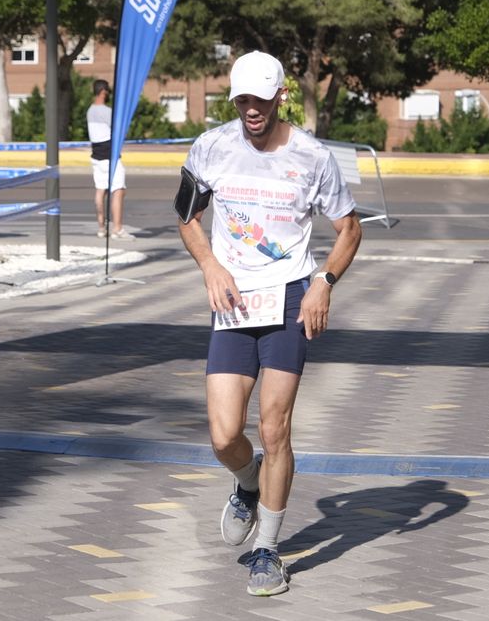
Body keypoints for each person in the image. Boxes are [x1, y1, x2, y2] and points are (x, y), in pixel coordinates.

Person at [177, 51, 363, 597]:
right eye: (242, 100)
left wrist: (323, 283)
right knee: (224, 435)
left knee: (275, 428)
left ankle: (268, 550)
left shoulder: (312, 156)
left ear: (281, 96)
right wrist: (210, 266)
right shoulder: (211, 147)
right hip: (233, 303)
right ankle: (247, 481)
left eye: (260, 99)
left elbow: (350, 229)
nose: (251, 109)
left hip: (288, 300)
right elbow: (187, 216)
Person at [86, 79, 131, 239]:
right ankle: (117, 229)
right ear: (104, 92)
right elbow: (120, 130)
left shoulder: (90, 110)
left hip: (96, 155)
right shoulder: (107, 112)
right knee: (118, 190)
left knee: (100, 190)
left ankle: (101, 228)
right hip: (110, 155)